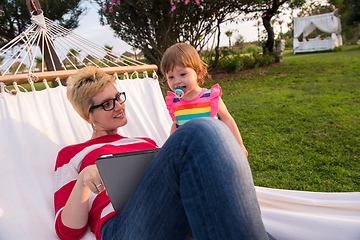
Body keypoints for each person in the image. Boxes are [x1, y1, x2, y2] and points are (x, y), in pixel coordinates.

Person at [54, 66, 272, 240]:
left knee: (204, 135)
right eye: (107, 104)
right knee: (200, 130)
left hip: (173, 215)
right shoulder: (72, 154)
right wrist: (83, 180)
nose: (119, 106)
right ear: (87, 116)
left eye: (118, 97)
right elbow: (67, 232)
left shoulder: (144, 141)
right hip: (123, 228)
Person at [161, 43, 248, 157]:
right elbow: (176, 126)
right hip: (189, 154)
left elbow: (227, 119)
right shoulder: (175, 103)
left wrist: (239, 144)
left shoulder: (210, 97)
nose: (177, 81)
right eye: (171, 77)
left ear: (198, 73)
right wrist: (167, 149)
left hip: (214, 150)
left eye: (182, 74)